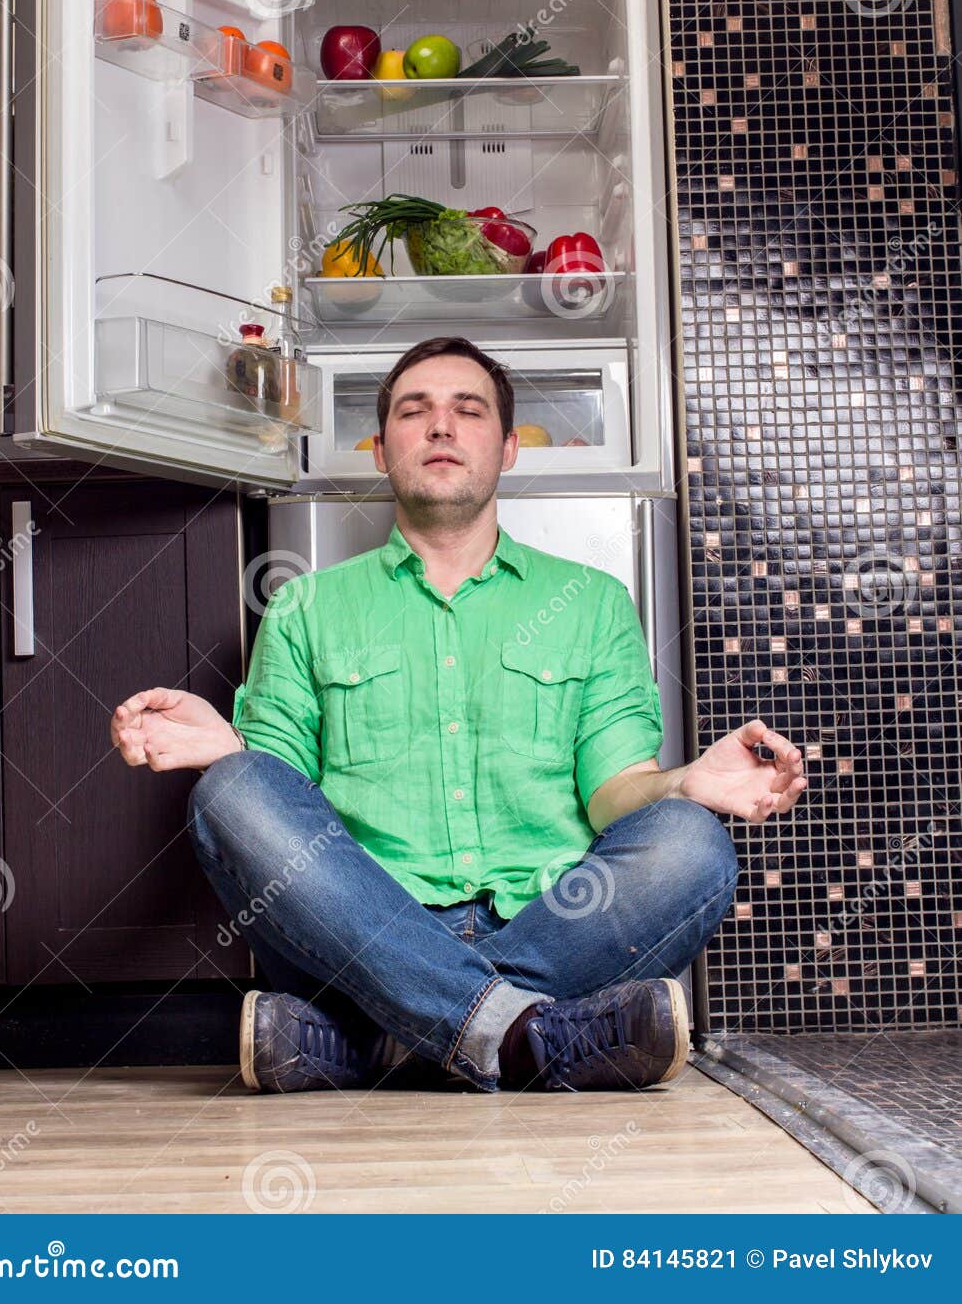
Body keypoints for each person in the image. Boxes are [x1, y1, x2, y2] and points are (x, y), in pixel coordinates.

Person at [111, 336, 806, 1096]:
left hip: (554, 924)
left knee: (691, 843)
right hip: (364, 924)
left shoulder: (592, 601)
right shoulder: (304, 606)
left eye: (466, 411)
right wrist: (229, 751)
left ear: (506, 448)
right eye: (415, 411)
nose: (440, 426)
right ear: (382, 449)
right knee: (231, 792)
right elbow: (281, 798)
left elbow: (614, 794)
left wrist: (683, 785)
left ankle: (382, 1037)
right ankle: (527, 1037)